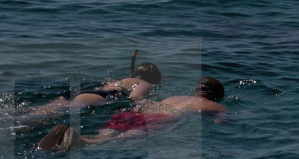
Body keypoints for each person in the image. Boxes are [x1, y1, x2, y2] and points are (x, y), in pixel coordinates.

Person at [37, 76, 227, 151]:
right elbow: (221, 122)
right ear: (216, 96)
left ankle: (76, 138)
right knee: (130, 135)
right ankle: (82, 142)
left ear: (196, 90)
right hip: (163, 116)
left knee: (110, 132)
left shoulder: (175, 97)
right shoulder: (211, 105)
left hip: (141, 110)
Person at [23, 61, 164, 119]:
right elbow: (135, 99)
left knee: (46, 108)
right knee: (51, 114)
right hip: (100, 97)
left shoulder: (121, 81)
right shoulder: (145, 84)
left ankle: (13, 113)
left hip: (90, 91)